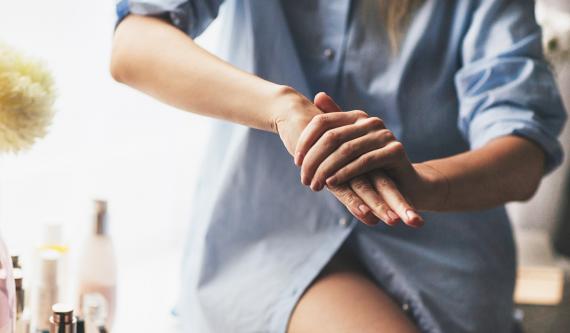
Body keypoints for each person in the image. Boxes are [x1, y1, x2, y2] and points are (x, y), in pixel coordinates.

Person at [110, 0, 567, 332]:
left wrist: (425, 182)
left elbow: (523, 149)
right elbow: (135, 43)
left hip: (445, 265)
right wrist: (283, 109)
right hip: (269, 247)